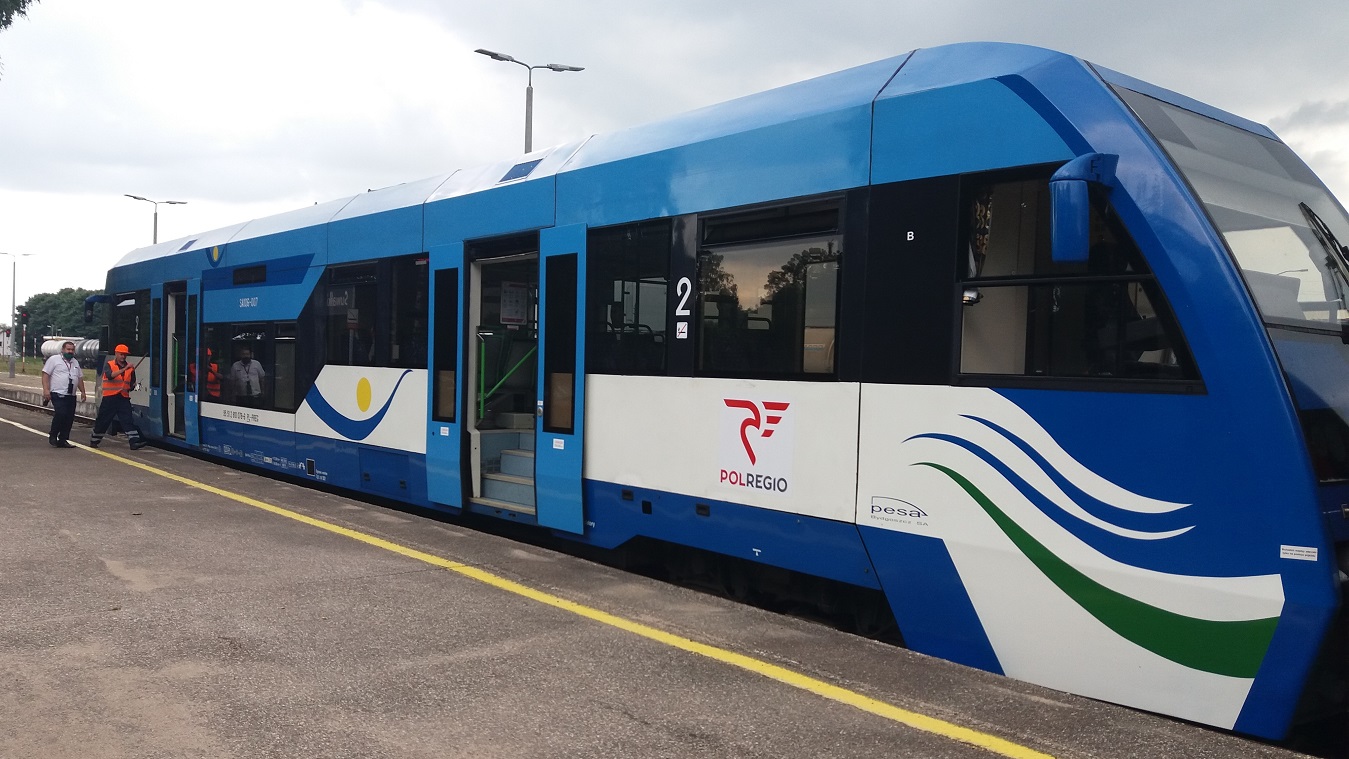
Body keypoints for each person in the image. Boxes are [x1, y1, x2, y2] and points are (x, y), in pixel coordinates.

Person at [90, 344, 145, 450]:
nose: (123, 356)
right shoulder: (109, 365)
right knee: (103, 420)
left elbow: (131, 383)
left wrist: (133, 386)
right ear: (116, 354)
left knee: (127, 420)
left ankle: (134, 442)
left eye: (125, 355)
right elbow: (110, 376)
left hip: (123, 398)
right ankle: (94, 440)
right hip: (109, 398)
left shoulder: (130, 368)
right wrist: (124, 369)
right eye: (121, 354)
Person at [40, 340, 86, 448]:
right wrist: (46, 390)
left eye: (72, 350)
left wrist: (83, 392)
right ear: (63, 349)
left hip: (71, 395)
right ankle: (53, 435)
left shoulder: (75, 362)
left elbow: (79, 378)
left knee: (69, 417)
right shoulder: (54, 360)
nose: (70, 351)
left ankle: (63, 439)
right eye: (68, 349)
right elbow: (45, 374)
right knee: (61, 413)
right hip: (58, 392)